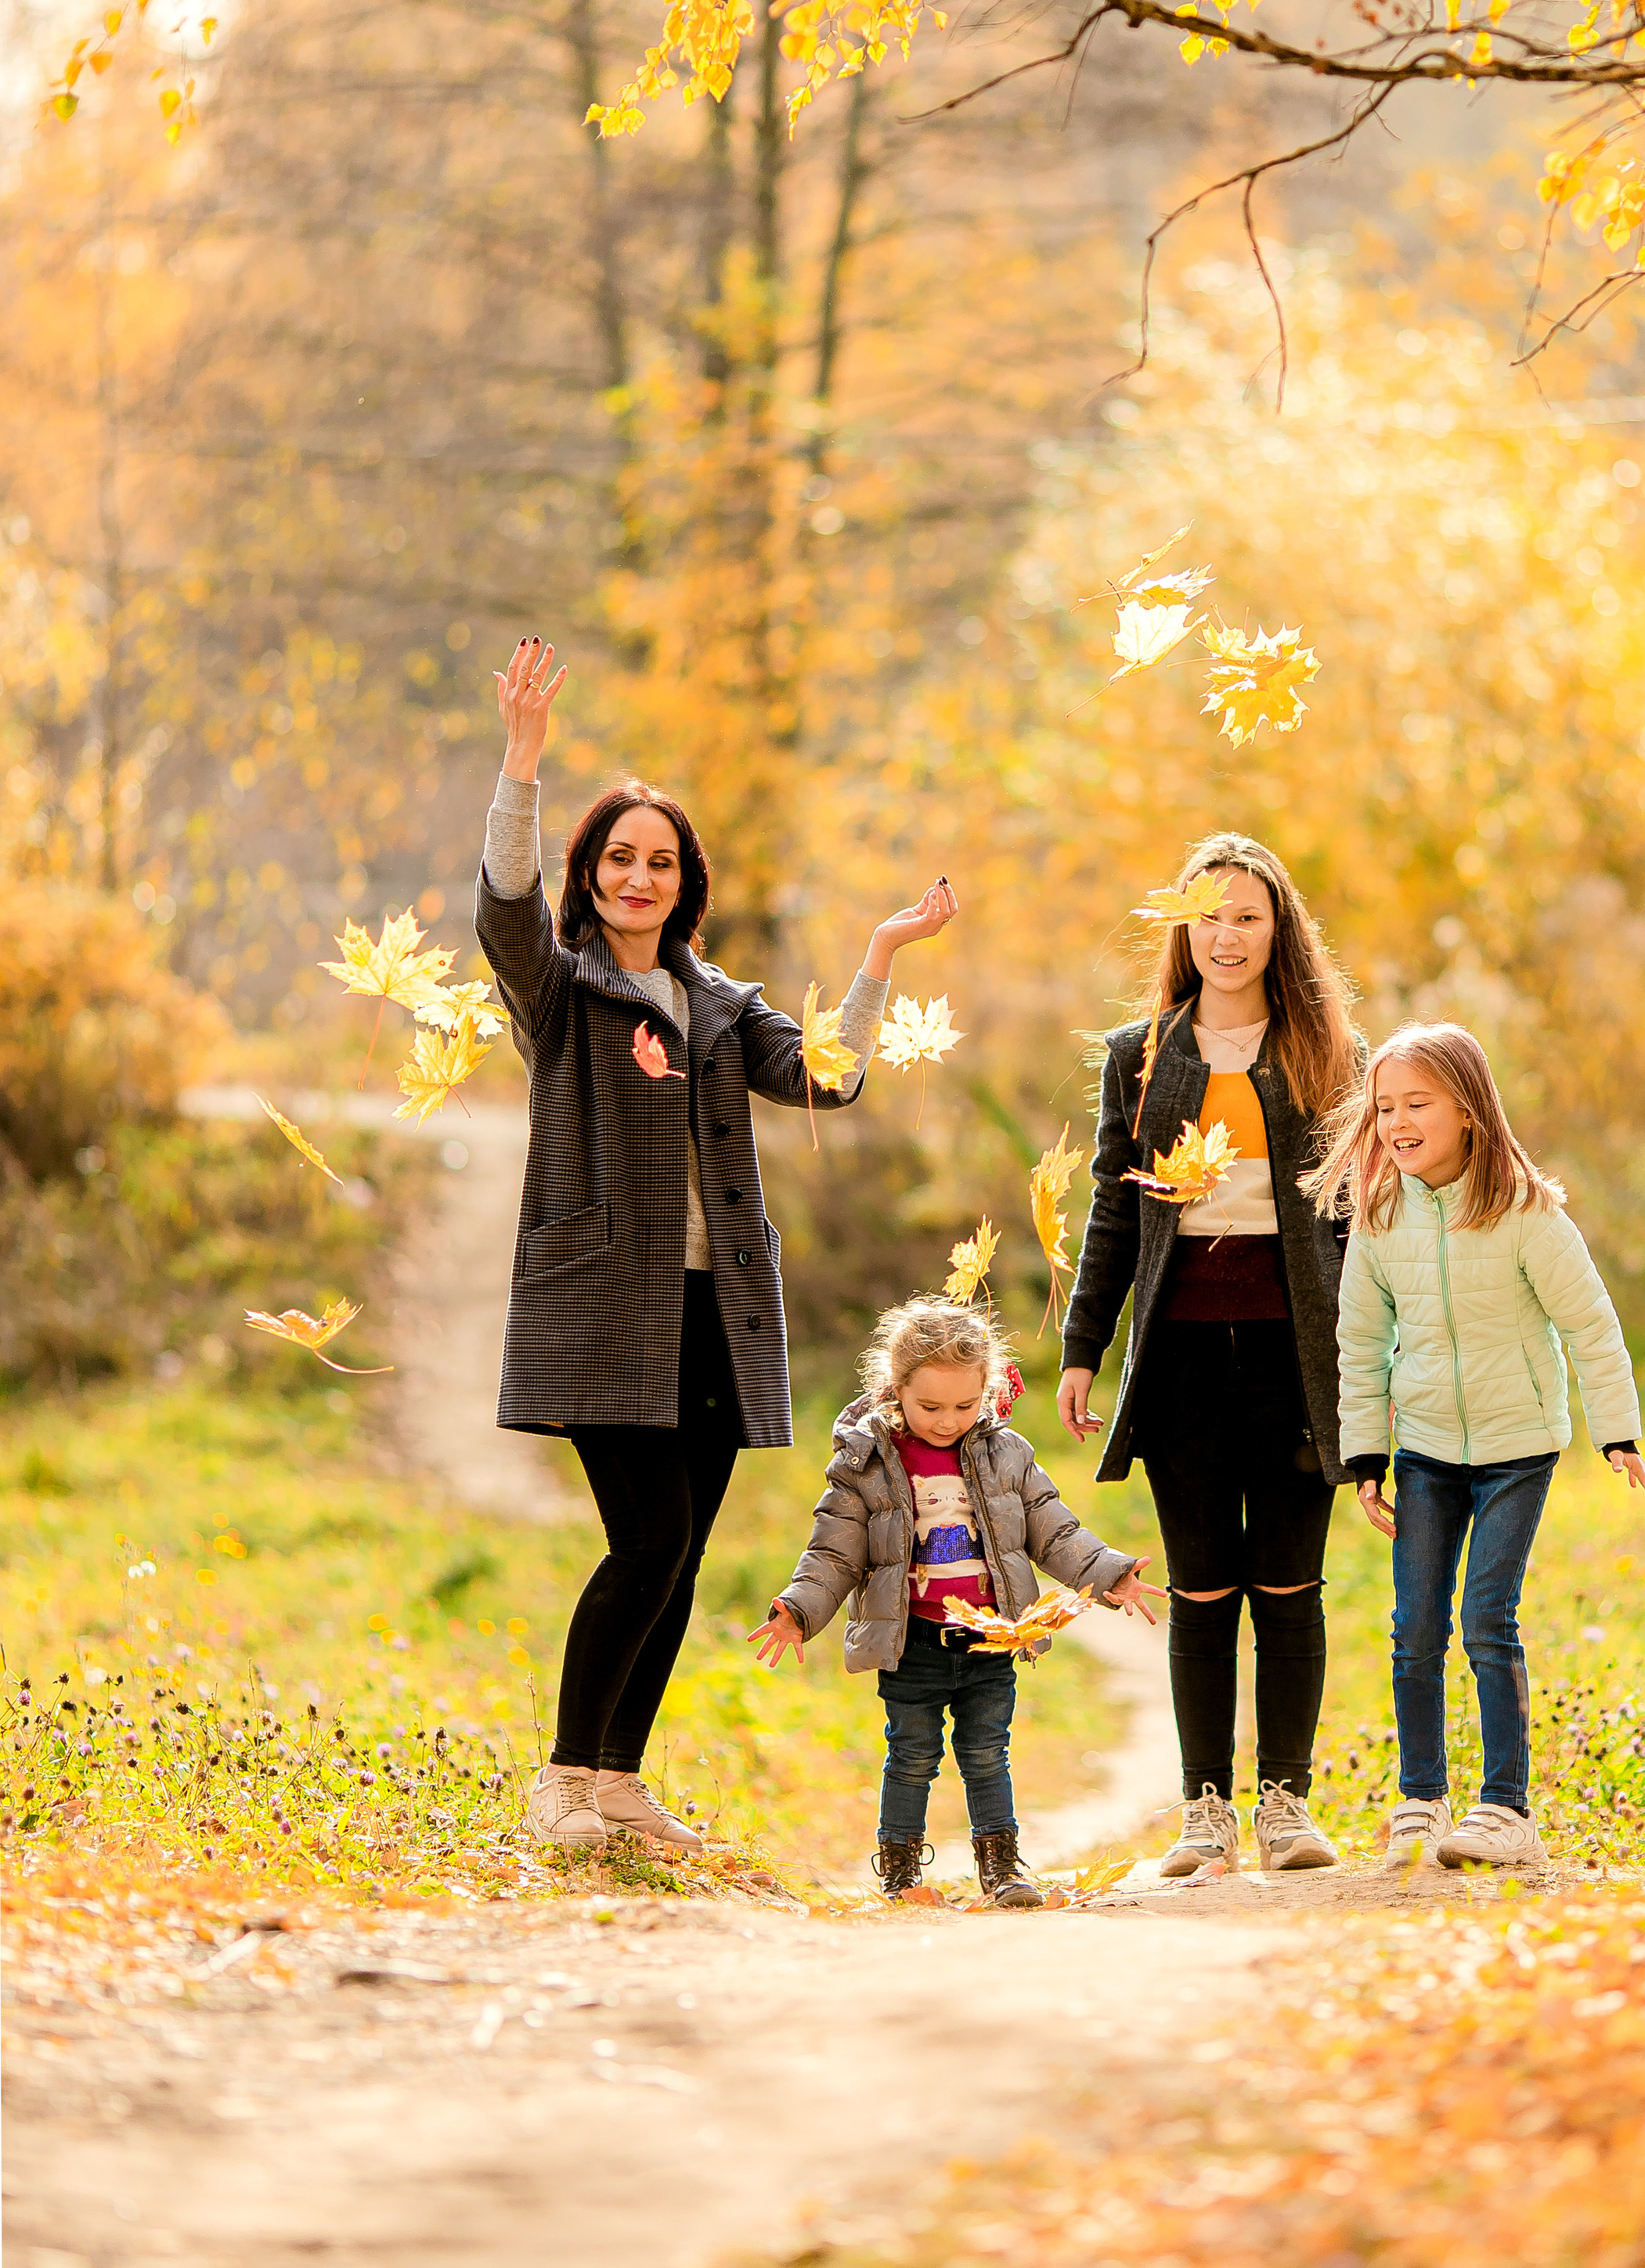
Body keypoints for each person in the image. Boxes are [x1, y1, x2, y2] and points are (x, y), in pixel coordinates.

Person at [478, 636, 958, 1855]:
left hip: (715, 1311)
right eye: (620, 860)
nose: (640, 877)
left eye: (661, 862)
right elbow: (503, 910)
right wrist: (522, 767)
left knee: (681, 1558)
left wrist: (879, 957)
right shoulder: (558, 985)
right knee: (643, 1540)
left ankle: (617, 1787)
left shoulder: (722, 1006)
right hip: (603, 1304)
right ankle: (561, 1784)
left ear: (684, 882)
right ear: (588, 877)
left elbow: (830, 1080)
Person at [1056, 833, 1361, 1880]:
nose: (1227, 936)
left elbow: (1356, 1217)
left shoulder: (1324, 1054)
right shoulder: (1142, 1055)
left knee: (1288, 1585)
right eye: (1210, 916)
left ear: (1281, 932)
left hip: (1295, 1356)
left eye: (1248, 917)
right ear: (1182, 928)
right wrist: (1084, 1347)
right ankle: (1203, 1814)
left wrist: (1375, 1358)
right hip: (1180, 1355)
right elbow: (1110, 1208)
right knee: (1201, 1589)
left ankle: (1286, 1807)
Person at [1307, 1020, 1645, 1870]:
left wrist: (1616, 1434)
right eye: (1385, 1105)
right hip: (1427, 1448)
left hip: (1519, 1446)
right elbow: (1359, 1344)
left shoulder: (1523, 1213)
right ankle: (1420, 1801)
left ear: (1468, 1110)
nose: (1397, 1119)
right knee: (1413, 1628)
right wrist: (1365, 1457)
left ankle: (1506, 1812)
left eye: (1417, 1103)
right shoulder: (1379, 1214)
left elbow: (1589, 1326)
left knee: (1485, 1618)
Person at [750, 1297, 1158, 1904]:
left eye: (965, 1406)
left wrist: (1107, 1574)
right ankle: (900, 1871)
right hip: (912, 1640)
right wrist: (799, 1609)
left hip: (990, 1637)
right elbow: (834, 1552)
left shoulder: (1007, 1455)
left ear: (987, 1391)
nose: (947, 1421)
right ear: (896, 1390)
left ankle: (1002, 1867)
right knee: (912, 1756)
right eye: (930, 1407)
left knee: (987, 1754)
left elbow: (1054, 1530)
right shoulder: (865, 1463)